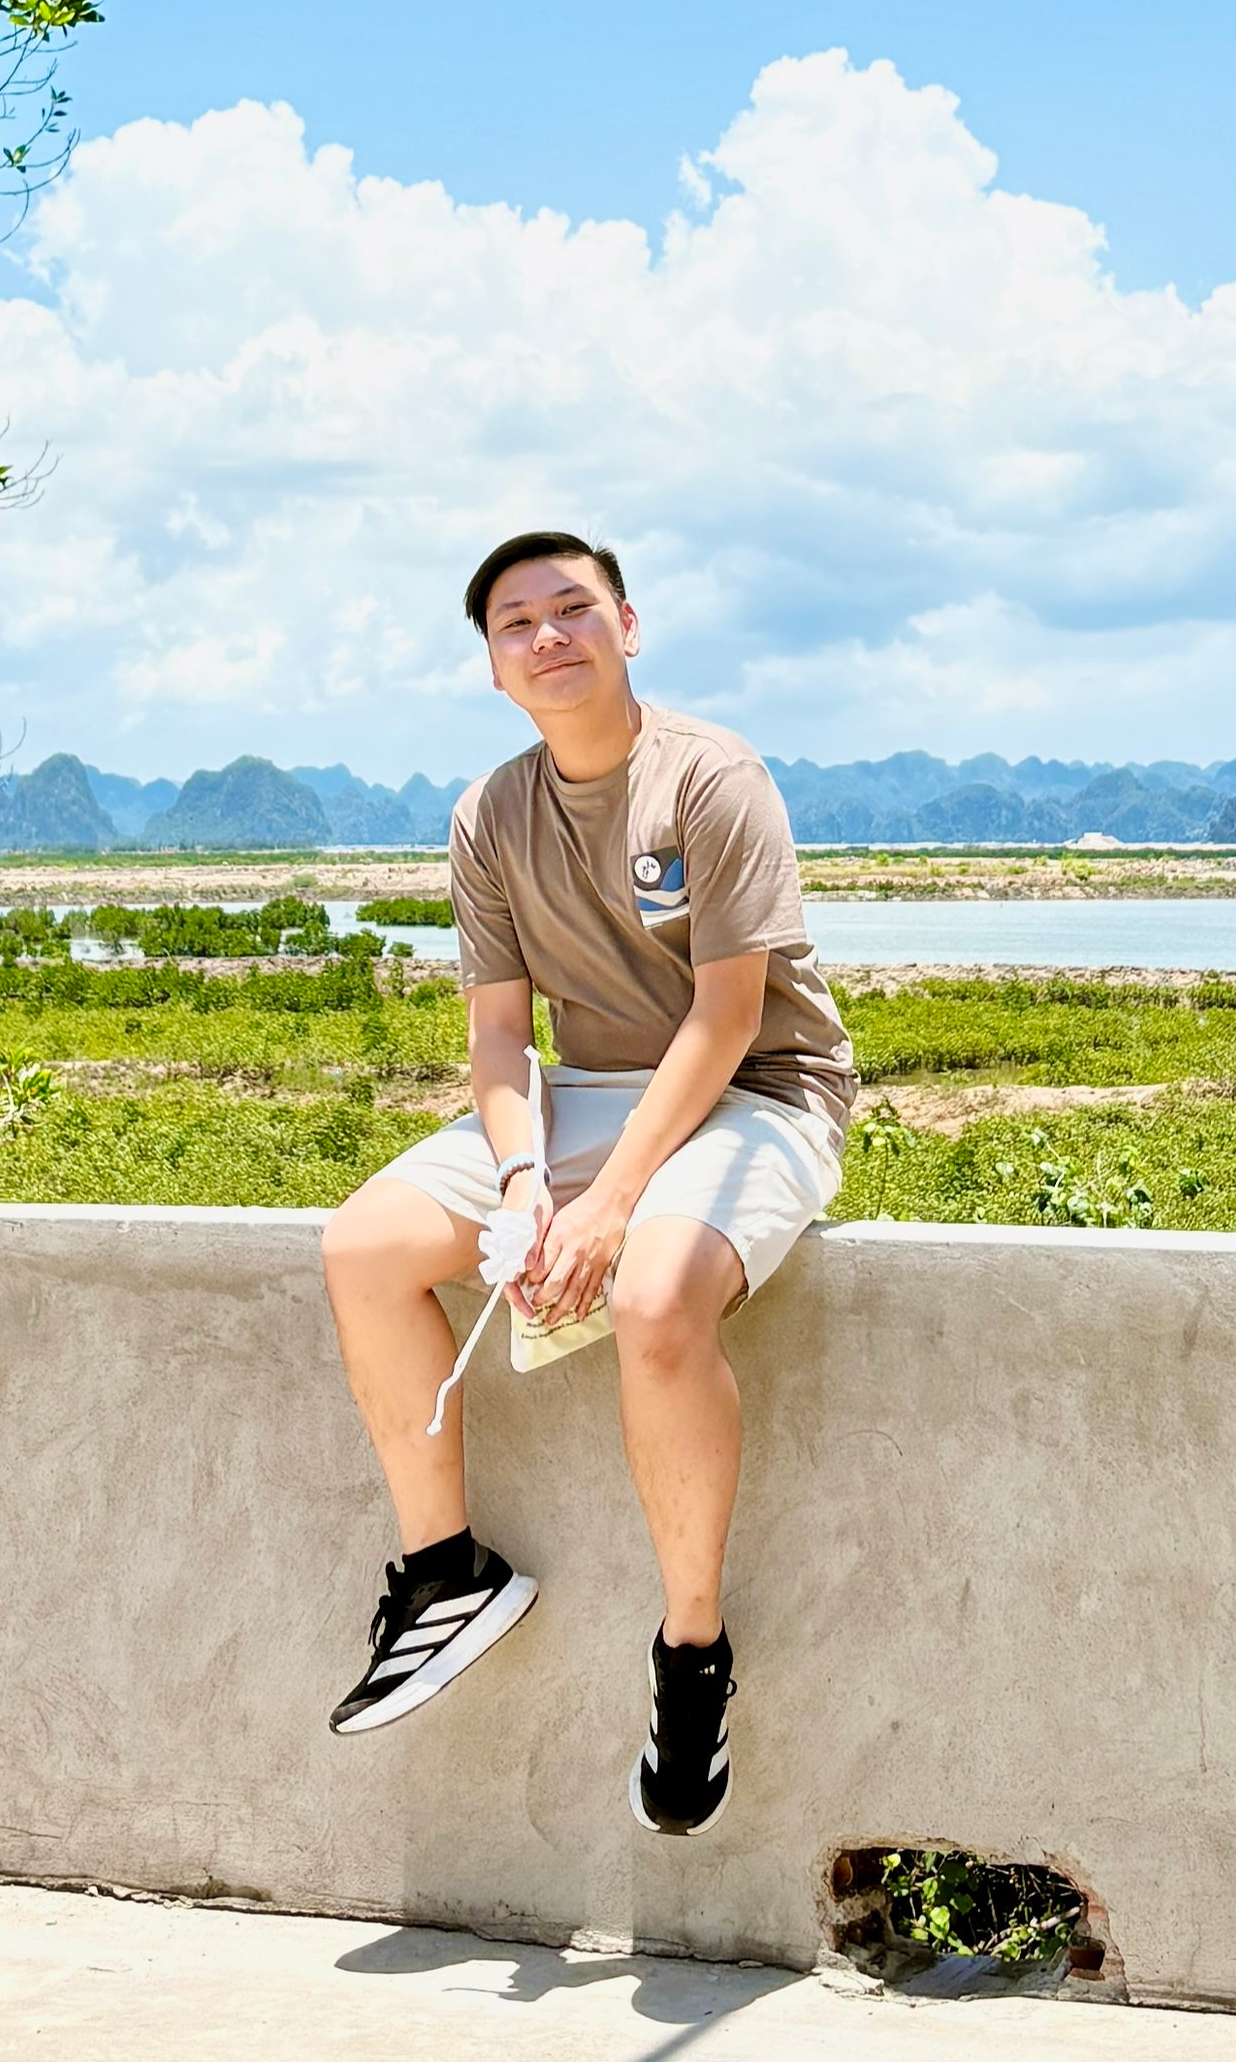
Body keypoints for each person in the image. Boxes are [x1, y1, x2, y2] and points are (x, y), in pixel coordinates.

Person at [320, 530, 855, 1833]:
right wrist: (519, 1183)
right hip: (589, 1095)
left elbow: (728, 1018)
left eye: (573, 608)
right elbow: (502, 1034)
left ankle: (690, 1655)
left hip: (760, 1089)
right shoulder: (489, 816)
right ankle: (446, 1570)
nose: (549, 634)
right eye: (518, 623)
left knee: (657, 1297)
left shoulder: (713, 779)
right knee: (363, 1245)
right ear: (495, 669)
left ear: (628, 624)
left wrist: (612, 1203)